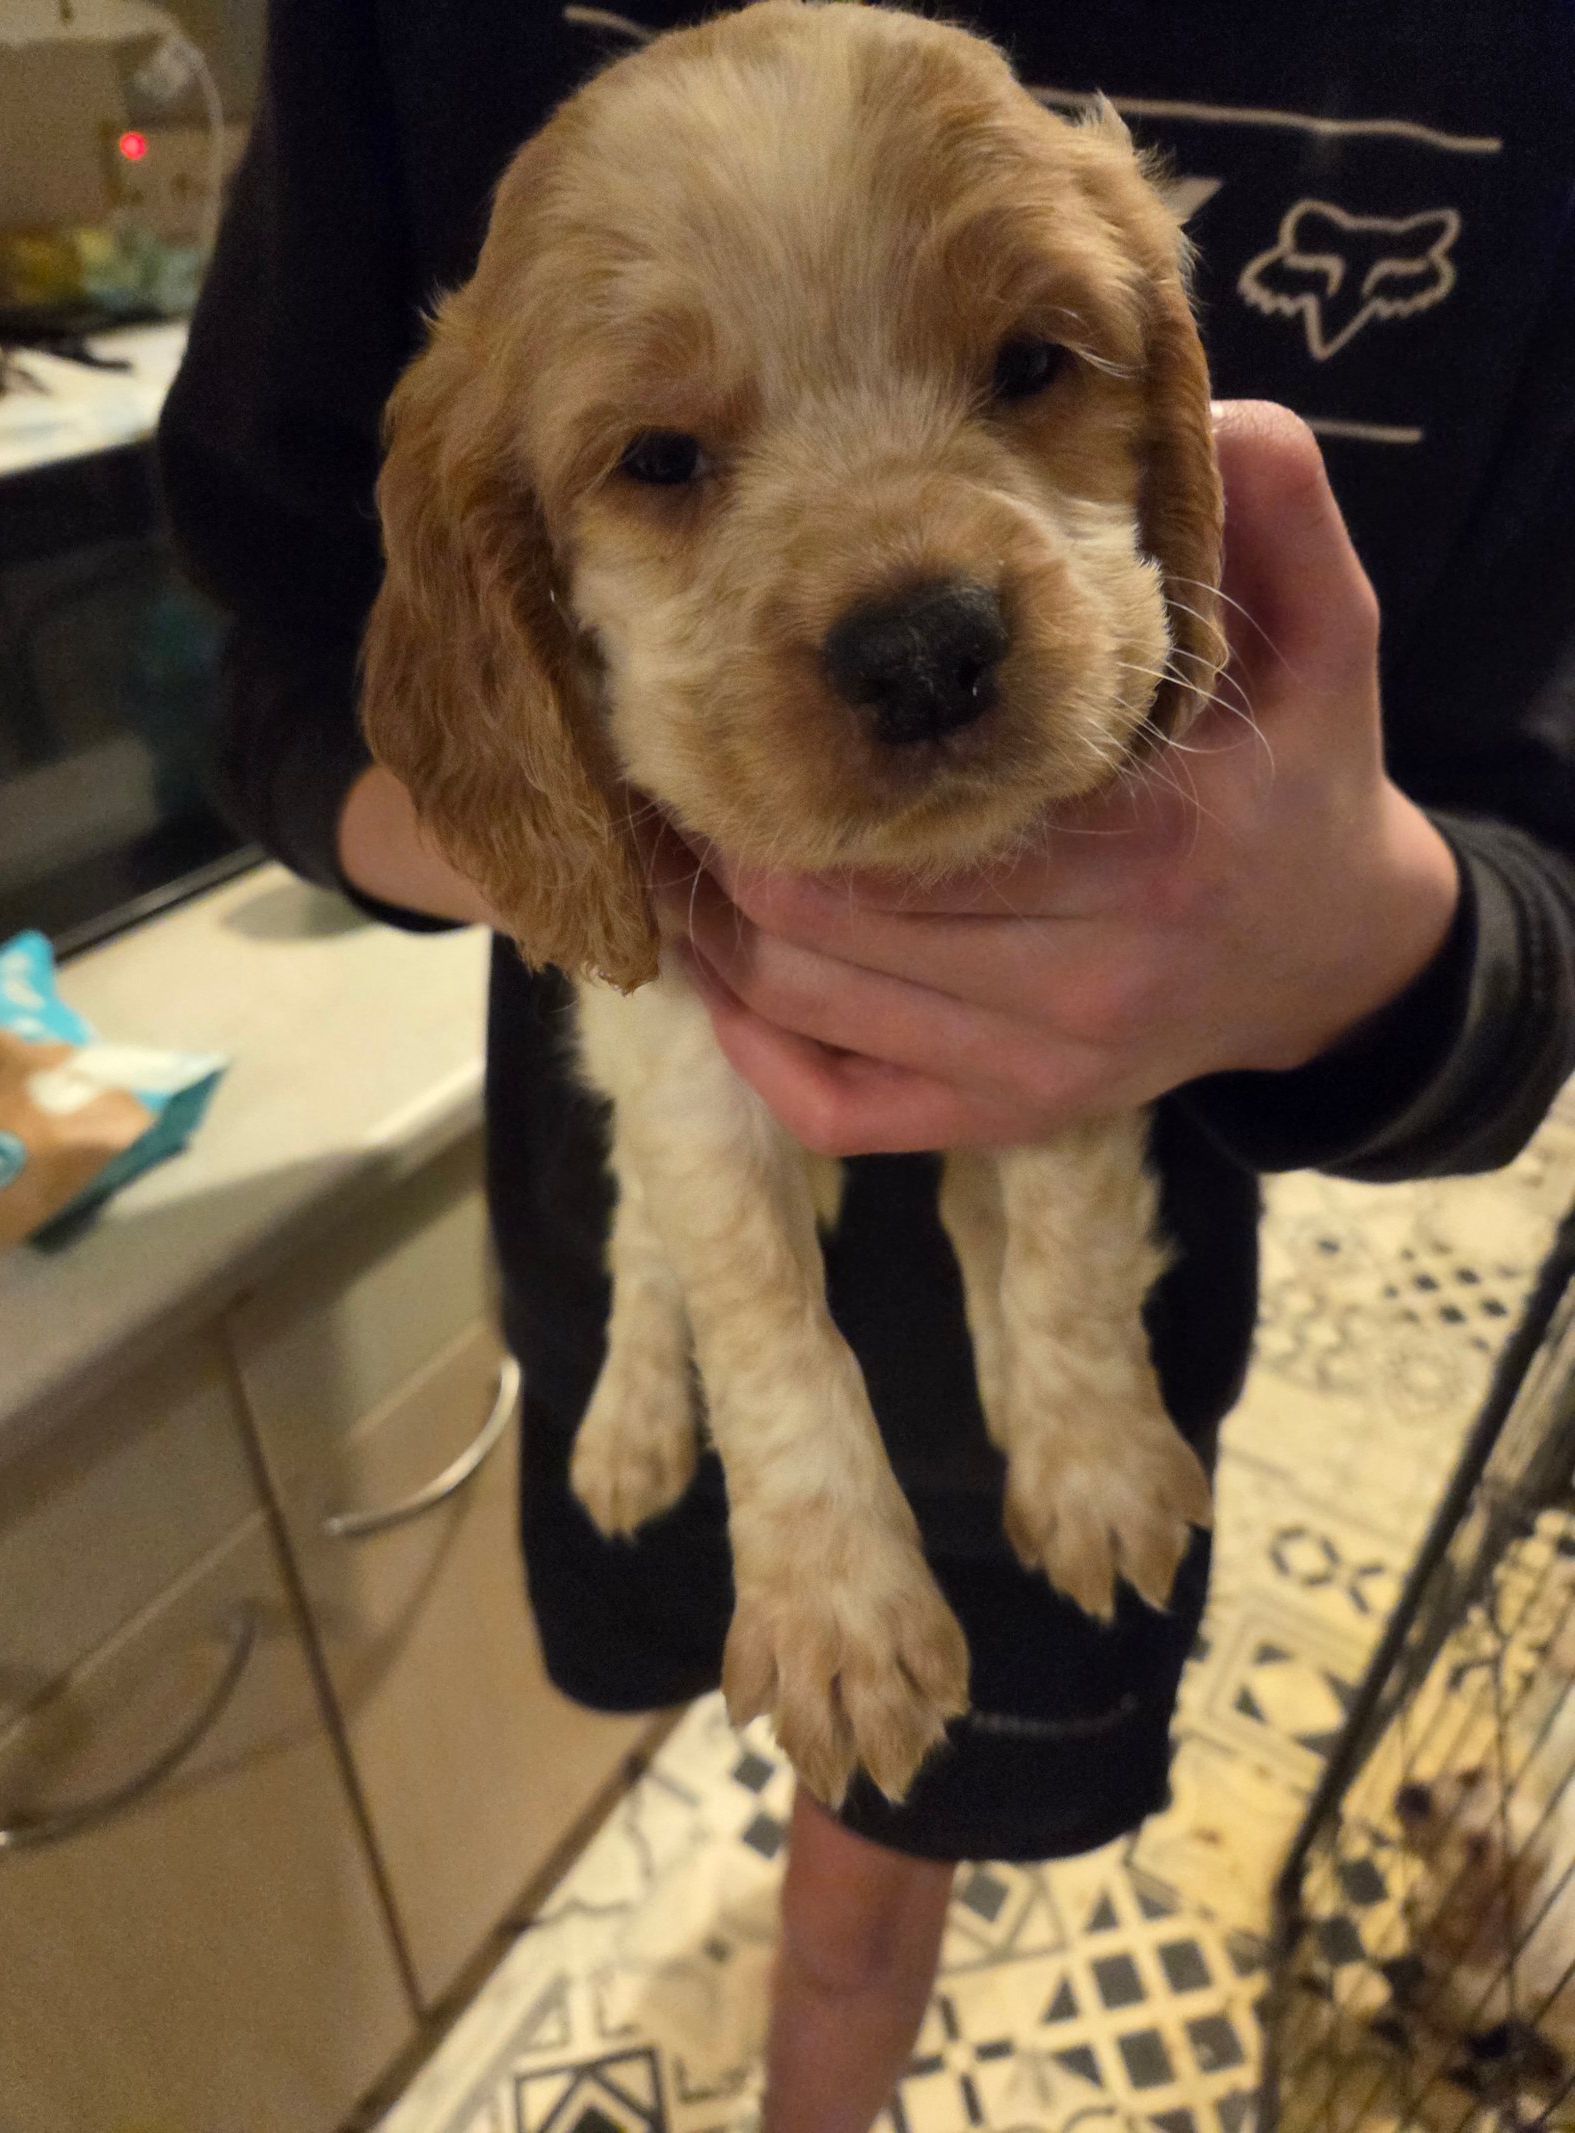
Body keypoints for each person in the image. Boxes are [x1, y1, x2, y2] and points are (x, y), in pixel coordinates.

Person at [158, 3, 1575, 2126]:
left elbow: (1519, 880)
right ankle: (654, 1375)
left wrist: (1354, 940)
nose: (910, 615)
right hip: (647, 1217)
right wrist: (551, 838)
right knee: (684, 1175)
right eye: (663, 460)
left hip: (1143, 1234)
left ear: (1168, 393)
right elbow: (285, 659)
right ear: (516, 545)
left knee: (899, 1848)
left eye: (1027, 367)